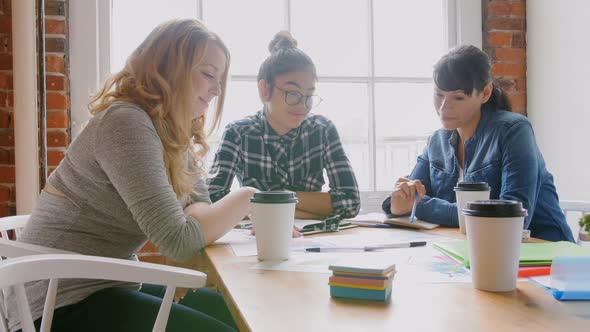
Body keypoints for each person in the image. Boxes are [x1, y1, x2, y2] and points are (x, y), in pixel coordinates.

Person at [6, 19, 252, 332]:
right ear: (170, 68)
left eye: (220, 80)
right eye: (208, 74)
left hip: (101, 285)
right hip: (57, 304)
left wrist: (213, 214)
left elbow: (199, 207)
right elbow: (178, 240)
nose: (217, 89)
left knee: (228, 310)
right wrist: (249, 197)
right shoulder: (126, 123)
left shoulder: (170, 132)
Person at [382, 45, 574, 242]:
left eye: (457, 97)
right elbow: (403, 199)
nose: (444, 107)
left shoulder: (514, 130)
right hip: (477, 250)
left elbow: (512, 218)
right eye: (438, 94)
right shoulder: (436, 141)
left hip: (545, 252)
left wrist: (421, 206)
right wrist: (397, 203)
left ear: (485, 93)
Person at [208, 31, 360, 220]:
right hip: (257, 239)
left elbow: (350, 202)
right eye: (293, 93)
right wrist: (312, 205)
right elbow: (213, 199)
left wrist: (270, 202)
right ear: (264, 89)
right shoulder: (239, 133)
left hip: (313, 239)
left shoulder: (323, 130)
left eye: (309, 95)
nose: (303, 105)